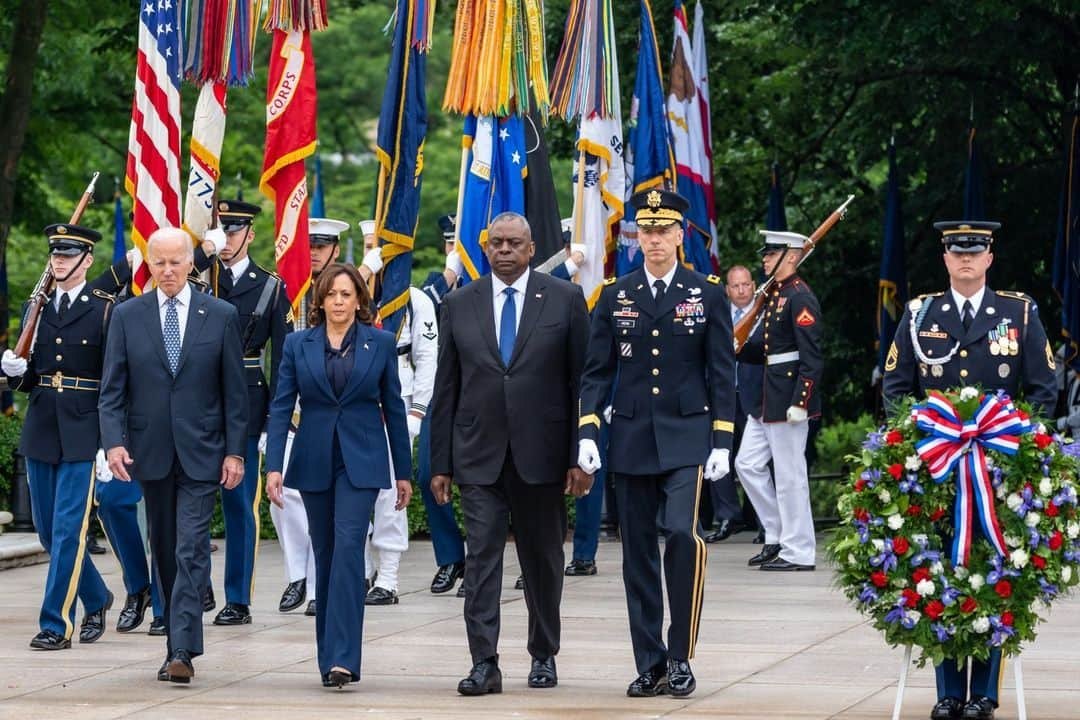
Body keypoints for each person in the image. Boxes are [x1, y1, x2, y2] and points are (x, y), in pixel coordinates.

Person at [882, 220, 1056, 720]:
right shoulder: (920, 314)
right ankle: (946, 693)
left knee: (993, 574)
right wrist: (912, 442)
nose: (964, 258)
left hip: (995, 473)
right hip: (936, 471)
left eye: (973, 251)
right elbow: (896, 385)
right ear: (944, 259)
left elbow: (1043, 387)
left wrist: (1020, 448)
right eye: (956, 251)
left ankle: (983, 693)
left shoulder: (1017, 313)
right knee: (938, 571)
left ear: (988, 258)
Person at [577, 188, 736, 699]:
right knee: (638, 552)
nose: (655, 240)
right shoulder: (615, 294)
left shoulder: (706, 292)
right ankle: (649, 661)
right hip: (630, 437)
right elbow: (597, 372)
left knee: (681, 535)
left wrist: (721, 440)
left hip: (688, 436)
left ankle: (680, 654)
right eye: (647, 231)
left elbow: (721, 372)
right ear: (636, 236)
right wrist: (587, 431)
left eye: (664, 230)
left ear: (680, 234)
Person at [430, 211, 591, 695]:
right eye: (496, 242)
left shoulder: (564, 299)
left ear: (531, 248)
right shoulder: (459, 304)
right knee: (480, 560)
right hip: (478, 456)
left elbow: (581, 382)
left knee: (542, 560)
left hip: (542, 456)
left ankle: (543, 655)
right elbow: (446, 388)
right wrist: (440, 463)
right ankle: (485, 662)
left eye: (513, 243)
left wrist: (578, 456)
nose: (504, 250)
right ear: (485, 248)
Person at [99, 227, 248, 684]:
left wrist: (235, 453)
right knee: (164, 549)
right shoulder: (127, 316)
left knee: (190, 547)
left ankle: (183, 648)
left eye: (174, 262)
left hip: (203, 453)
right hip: (151, 453)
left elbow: (234, 395)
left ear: (190, 263)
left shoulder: (220, 315)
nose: (166, 270)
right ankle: (174, 642)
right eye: (158, 262)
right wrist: (114, 442)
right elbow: (112, 391)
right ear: (150, 264)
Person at [264, 263, 412, 689]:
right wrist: (274, 465)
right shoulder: (297, 345)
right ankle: (329, 657)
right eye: (332, 294)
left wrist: (402, 472)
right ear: (321, 300)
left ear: (360, 300)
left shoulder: (380, 344)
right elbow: (280, 406)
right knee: (325, 553)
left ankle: (345, 656)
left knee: (349, 547)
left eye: (347, 294)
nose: (340, 302)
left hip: (361, 461)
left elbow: (395, 409)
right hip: (314, 458)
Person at [0, 223, 116, 650]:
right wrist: (16, 374)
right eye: (56, 255)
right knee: (49, 533)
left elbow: (114, 381)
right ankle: (97, 595)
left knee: (69, 529)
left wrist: (109, 440)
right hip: (43, 427)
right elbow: (32, 376)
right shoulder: (39, 308)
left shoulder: (105, 308)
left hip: (85, 430)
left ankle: (56, 624)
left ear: (87, 261)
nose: (59, 261)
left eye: (68, 255)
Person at [191, 200, 293, 626]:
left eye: (234, 232)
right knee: (191, 503)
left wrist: (275, 419)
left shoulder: (270, 286)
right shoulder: (198, 278)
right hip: (198, 403)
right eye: (221, 232)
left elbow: (283, 361)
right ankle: (198, 584)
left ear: (250, 235)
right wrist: (202, 257)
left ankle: (238, 597)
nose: (227, 239)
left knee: (238, 505)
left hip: (248, 404)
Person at [266, 217, 349, 617]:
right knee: (282, 501)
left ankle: (318, 586)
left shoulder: (344, 292)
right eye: (308, 244)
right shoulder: (284, 290)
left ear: (335, 248)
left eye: (321, 245)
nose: (313, 252)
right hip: (291, 409)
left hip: (330, 412)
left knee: (327, 505)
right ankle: (297, 573)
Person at [353, 219, 438, 606]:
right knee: (352, 498)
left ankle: (387, 577)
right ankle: (360, 570)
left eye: (382, 247)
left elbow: (426, 359)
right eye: (370, 245)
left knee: (390, 497)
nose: (377, 254)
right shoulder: (349, 297)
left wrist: (417, 412)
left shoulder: (415, 301)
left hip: (395, 406)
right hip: (354, 410)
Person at [734, 232, 823, 572]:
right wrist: (739, 348)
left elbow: (811, 357)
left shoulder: (800, 297)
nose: (765, 261)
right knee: (747, 465)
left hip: (788, 402)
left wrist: (802, 399)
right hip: (767, 399)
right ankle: (777, 533)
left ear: (791, 256)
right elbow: (771, 349)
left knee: (790, 477)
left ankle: (799, 550)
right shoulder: (777, 294)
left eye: (771, 255)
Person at [417, 214, 468, 596]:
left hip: (485, 395)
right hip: (443, 392)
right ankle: (450, 556)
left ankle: (485, 562)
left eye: (460, 243)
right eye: (450, 244)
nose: (455, 251)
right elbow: (419, 306)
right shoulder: (437, 287)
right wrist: (448, 274)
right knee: (427, 473)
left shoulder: (494, 281)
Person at [704, 264, 763, 544]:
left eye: (746, 285)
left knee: (759, 461)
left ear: (753, 286)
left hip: (757, 395)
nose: (741, 290)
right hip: (723, 396)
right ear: (727, 290)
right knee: (719, 453)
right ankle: (728, 516)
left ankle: (764, 521)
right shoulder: (718, 316)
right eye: (735, 286)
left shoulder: (765, 313)